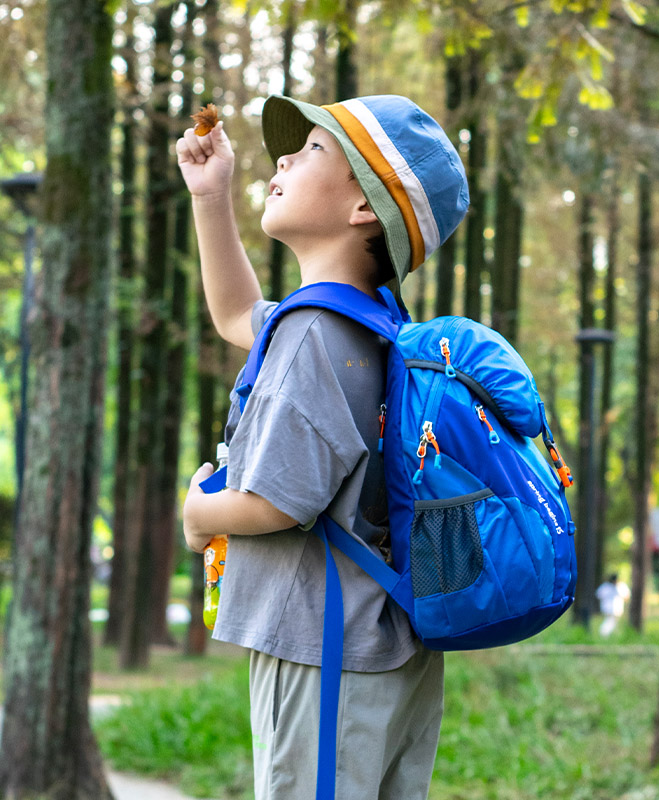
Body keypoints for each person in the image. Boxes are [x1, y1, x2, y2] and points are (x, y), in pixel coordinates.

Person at [176, 95, 469, 800]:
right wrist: (211, 195)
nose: (282, 158)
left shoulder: (315, 334)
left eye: (311, 150)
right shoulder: (367, 325)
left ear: (365, 207)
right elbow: (232, 315)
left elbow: (279, 502)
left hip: (324, 648)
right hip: (386, 642)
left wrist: (199, 514)